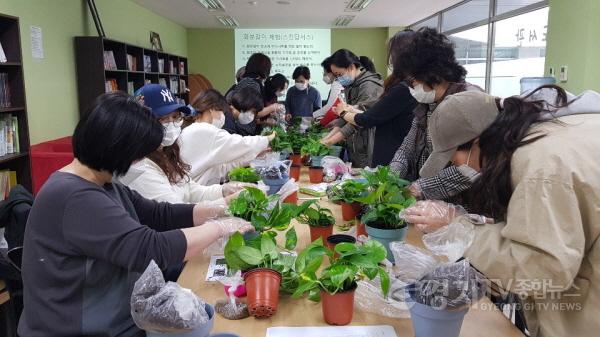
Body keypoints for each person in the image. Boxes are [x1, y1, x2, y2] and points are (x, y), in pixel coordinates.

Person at [18, 91, 253, 336]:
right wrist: (219, 227)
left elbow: (159, 215)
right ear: (117, 149)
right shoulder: (73, 196)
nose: (139, 160)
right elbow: (150, 248)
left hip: (119, 318)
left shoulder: (104, 184)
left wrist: (221, 209)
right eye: (137, 153)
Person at [402, 86, 600, 337]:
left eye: (454, 158)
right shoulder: (559, 132)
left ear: (477, 142)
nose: (455, 166)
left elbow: (543, 266)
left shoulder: (540, 164)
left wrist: (460, 228)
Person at [387, 27, 482, 200]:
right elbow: (408, 145)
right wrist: (391, 176)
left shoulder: (466, 103)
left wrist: (418, 189)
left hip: (461, 203)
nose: (411, 86)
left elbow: (470, 166)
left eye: (412, 80)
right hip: (430, 198)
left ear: (430, 72)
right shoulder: (427, 103)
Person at [118, 84, 247, 205]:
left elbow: (190, 190)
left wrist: (224, 190)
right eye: (162, 118)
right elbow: (173, 213)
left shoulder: (166, 153)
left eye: (175, 117)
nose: (170, 124)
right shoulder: (139, 167)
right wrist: (224, 203)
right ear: (139, 123)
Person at [332, 32, 417, 167]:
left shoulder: (402, 88)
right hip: (387, 153)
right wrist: (352, 110)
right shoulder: (399, 84)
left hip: (391, 156)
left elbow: (368, 119)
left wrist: (344, 113)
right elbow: (376, 114)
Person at [180, 89, 276, 185]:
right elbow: (240, 143)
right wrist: (266, 139)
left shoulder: (194, 130)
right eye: (221, 111)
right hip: (193, 191)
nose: (223, 116)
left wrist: (253, 155)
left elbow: (221, 169)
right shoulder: (204, 130)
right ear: (211, 109)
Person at [321, 49, 383, 168]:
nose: (338, 79)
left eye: (339, 74)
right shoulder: (352, 85)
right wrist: (328, 137)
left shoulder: (369, 86)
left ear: (351, 67)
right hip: (356, 144)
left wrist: (330, 141)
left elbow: (358, 121)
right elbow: (346, 116)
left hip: (367, 146)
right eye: (336, 76)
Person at [225, 53, 280, 135]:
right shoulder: (251, 84)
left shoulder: (248, 81)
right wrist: (273, 107)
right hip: (241, 131)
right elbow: (253, 112)